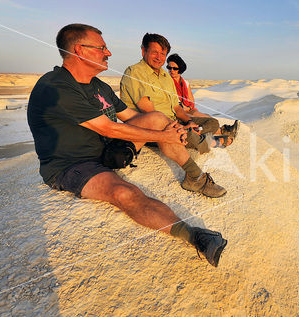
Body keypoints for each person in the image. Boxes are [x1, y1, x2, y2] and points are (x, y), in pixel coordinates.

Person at [27, 24, 227, 267]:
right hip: (74, 164)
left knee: (159, 120)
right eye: (101, 48)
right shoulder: (56, 87)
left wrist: (169, 127)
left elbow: (129, 116)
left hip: (107, 148)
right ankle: (195, 236)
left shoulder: (98, 86)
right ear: (79, 50)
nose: (108, 53)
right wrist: (166, 137)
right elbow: (108, 128)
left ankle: (194, 176)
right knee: (124, 193)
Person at [120, 34, 211, 154]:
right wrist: (180, 127)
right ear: (143, 51)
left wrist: (188, 121)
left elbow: (177, 107)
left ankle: (203, 137)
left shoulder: (166, 77)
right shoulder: (135, 72)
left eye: (162, 54)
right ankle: (210, 141)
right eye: (154, 52)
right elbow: (150, 113)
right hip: (153, 128)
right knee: (193, 138)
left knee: (211, 122)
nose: (159, 57)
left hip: (173, 121)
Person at [166, 53, 238, 147]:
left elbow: (191, 101)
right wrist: (185, 108)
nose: (171, 70)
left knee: (207, 116)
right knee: (205, 118)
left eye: (174, 68)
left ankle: (220, 132)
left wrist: (188, 107)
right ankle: (220, 133)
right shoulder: (167, 83)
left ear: (180, 69)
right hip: (179, 112)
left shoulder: (185, 83)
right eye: (169, 67)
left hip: (188, 109)